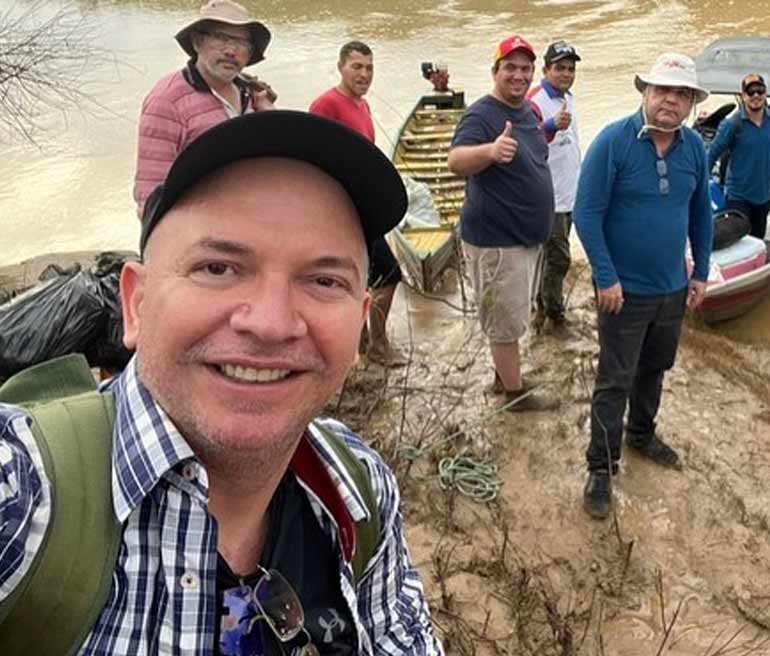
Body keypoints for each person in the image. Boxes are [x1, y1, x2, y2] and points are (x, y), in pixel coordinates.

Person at [0, 111, 444, 654]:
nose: (271, 323)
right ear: (134, 304)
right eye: (218, 268)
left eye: (324, 280)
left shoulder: (358, 491)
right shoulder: (24, 494)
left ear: (359, 322)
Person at [574, 53, 713, 519]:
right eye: (662, 90)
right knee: (614, 378)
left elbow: (700, 214)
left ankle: (641, 434)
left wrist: (701, 272)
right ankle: (601, 465)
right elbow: (586, 214)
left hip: (672, 288)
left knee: (655, 368)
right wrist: (606, 277)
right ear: (645, 93)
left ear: (692, 102)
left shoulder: (694, 147)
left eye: (681, 94)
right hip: (623, 292)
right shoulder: (612, 142)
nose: (671, 100)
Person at [447, 35, 559, 411]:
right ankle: (514, 396)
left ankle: (503, 376)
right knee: (504, 322)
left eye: (526, 68)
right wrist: (490, 152)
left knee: (510, 314)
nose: (518, 75)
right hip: (497, 240)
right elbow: (456, 160)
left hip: (523, 238)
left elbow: (536, 152)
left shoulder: (527, 111)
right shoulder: (481, 114)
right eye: (510, 67)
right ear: (495, 71)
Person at [311, 41, 407, 367]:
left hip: (364, 208)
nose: (364, 74)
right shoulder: (326, 105)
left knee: (365, 276)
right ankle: (375, 344)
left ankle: (363, 342)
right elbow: (318, 161)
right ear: (341, 67)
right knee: (389, 274)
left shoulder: (361, 105)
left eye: (369, 68)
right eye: (357, 67)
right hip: (343, 211)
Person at [133, 0, 276, 217]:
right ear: (197, 41)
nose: (231, 51)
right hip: (200, 226)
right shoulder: (167, 100)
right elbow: (151, 193)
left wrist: (266, 111)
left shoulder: (248, 91)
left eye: (242, 43)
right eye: (221, 38)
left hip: (247, 217)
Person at [706, 73, 770, 238]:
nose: (755, 96)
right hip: (738, 197)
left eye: (759, 91)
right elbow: (711, 155)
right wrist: (700, 184)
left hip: (763, 197)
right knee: (737, 240)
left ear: (765, 92)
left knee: (758, 240)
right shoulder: (732, 124)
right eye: (750, 91)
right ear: (743, 95)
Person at [526, 40, 582, 337]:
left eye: (571, 69)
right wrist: (549, 125)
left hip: (569, 191)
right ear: (545, 70)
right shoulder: (534, 101)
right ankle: (554, 316)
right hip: (548, 197)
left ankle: (540, 308)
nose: (566, 74)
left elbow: (573, 144)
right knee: (559, 257)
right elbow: (524, 141)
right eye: (559, 68)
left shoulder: (568, 97)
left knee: (550, 256)